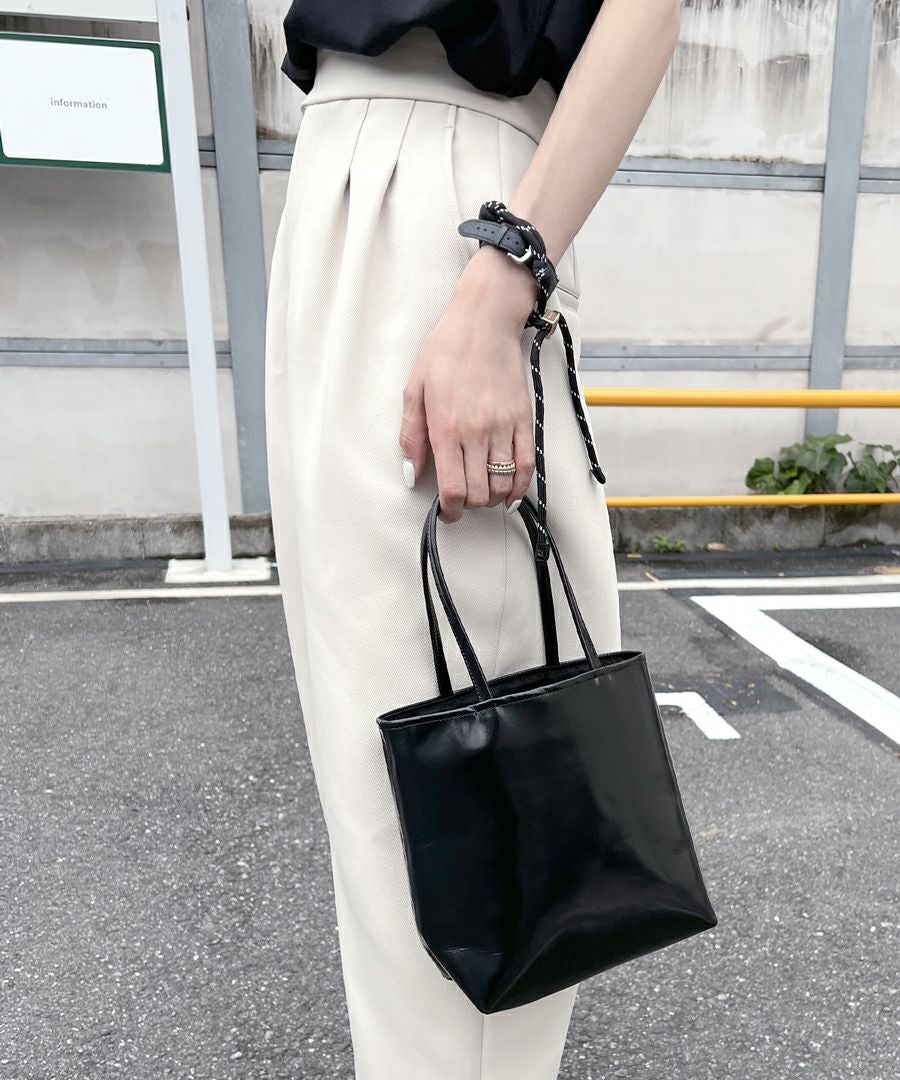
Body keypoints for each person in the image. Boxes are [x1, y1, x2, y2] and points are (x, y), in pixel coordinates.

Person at [264, 3, 681, 1077]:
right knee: (379, 803)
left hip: (450, 202)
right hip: (336, 188)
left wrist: (505, 278)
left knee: (462, 816)